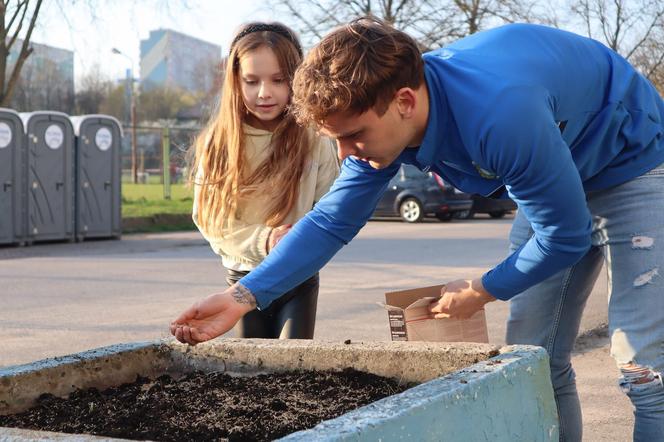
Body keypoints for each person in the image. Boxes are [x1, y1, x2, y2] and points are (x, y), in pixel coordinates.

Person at [172, 18, 664, 441]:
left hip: (632, 162)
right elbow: (330, 220)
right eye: (335, 138)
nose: (345, 153)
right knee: (533, 356)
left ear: (404, 101)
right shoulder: (380, 119)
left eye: (352, 136)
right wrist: (243, 296)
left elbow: (565, 236)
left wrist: (482, 290)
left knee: (644, 366)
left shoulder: (499, 116)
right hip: (551, 165)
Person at [183, 22, 339, 339]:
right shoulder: (219, 143)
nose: (264, 92)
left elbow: (333, 208)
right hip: (241, 277)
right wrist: (265, 240)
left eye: (279, 80)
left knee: (291, 366)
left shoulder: (314, 137)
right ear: (235, 83)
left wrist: (300, 240)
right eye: (252, 81)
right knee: (253, 374)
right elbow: (211, 221)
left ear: (297, 80)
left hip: (297, 276)